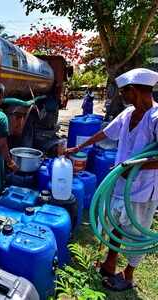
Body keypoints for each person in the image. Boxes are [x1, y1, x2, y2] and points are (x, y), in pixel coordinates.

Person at [66, 68, 158, 291]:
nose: (121, 96)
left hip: (143, 189)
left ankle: (128, 274)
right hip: (120, 182)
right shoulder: (128, 114)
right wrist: (79, 147)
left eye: (123, 92)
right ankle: (110, 262)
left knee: (136, 232)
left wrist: (134, 168)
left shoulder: (155, 118)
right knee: (116, 224)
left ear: (133, 90)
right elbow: (106, 132)